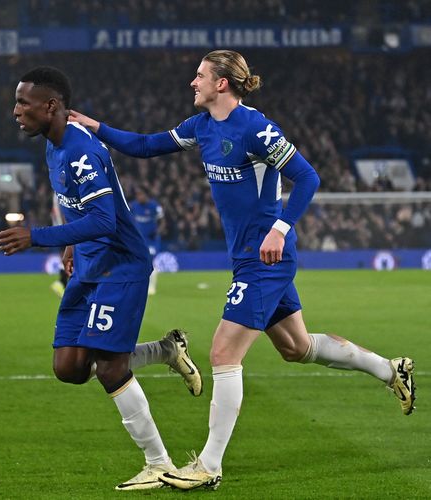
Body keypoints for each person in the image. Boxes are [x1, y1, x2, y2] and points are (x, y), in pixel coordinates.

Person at [68, 49, 416, 490]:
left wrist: (280, 227)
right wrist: (95, 126)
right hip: (248, 258)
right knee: (296, 347)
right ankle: (391, 370)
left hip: (266, 258)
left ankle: (208, 466)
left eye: (199, 76)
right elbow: (145, 145)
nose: (192, 83)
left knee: (222, 354)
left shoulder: (255, 127)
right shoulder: (201, 127)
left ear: (221, 84)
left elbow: (308, 178)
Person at [0, 66, 202, 491]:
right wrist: (71, 243)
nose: (16, 111)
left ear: (50, 105)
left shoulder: (78, 149)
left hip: (120, 266)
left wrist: (39, 237)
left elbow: (105, 221)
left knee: (109, 368)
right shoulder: (53, 145)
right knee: (69, 368)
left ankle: (159, 464)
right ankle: (166, 351)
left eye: (23, 102)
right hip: (89, 263)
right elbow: (78, 207)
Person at [129, 185, 163, 295]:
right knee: (136, 262)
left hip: (151, 239)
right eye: (137, 195)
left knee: (151, 261)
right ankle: (137, 285)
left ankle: (152, 287)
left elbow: (162, 221)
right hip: (138, 240)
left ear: (146, 195)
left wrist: (157, 231)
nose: (138, 197)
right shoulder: (133, 206)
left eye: (140, 194)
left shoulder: (154, 206)